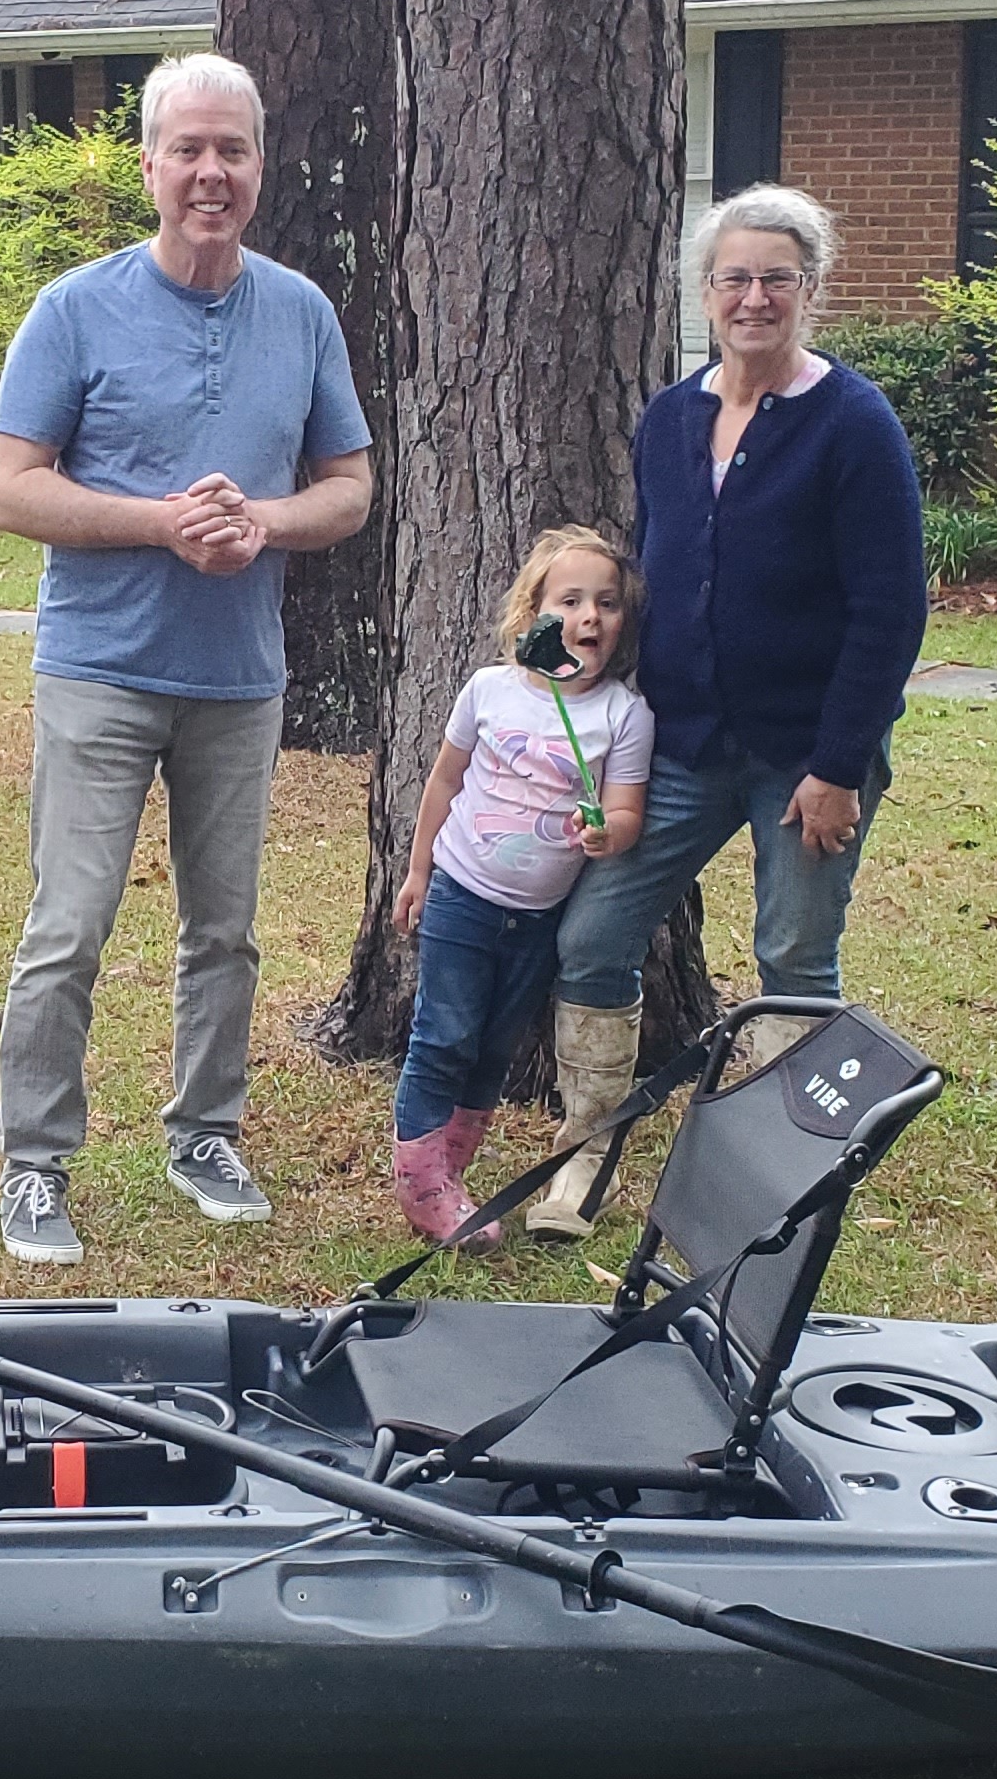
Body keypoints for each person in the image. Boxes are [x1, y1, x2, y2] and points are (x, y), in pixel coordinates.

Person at [0, 52, 377, 1267]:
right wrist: (163, 521)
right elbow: (7, 489)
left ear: (262, 164)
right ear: (149, 164)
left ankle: (205, 1132)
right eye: (188, 150)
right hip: (100, 665)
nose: (212, 173)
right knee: (71, 925)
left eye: (234, 150)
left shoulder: (301, 312)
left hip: (238, 678)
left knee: (227, 931)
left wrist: (263, 523)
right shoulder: (75, 310)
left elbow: (349, 489)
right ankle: (34, 1162)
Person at [528, 184, 929, 1242]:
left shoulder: (852, 424)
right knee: (594, 937)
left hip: (808, 754)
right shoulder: (671, 418)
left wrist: (840, 763)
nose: (755, 297)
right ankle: (584, 1152)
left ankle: (791, 1181)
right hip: (682, 745)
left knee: (796, 960)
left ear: (810, 290)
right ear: (705, 294)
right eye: (735, 278)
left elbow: (890, 610)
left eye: (776, 279)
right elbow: (659, 578)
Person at [385, 527, 652, 1246]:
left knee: (496, 1045)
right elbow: (444, 780)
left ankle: (452, 1170)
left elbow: (625, 808)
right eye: (569, 600)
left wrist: (610, 835)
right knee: (445, 1035)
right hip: (463, 895)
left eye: (607, 603)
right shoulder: (490, 691)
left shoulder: (623, 715)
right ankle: (421, 1180)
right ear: (532, 612)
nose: (589, 616)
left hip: (538, 916)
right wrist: (418, 872)